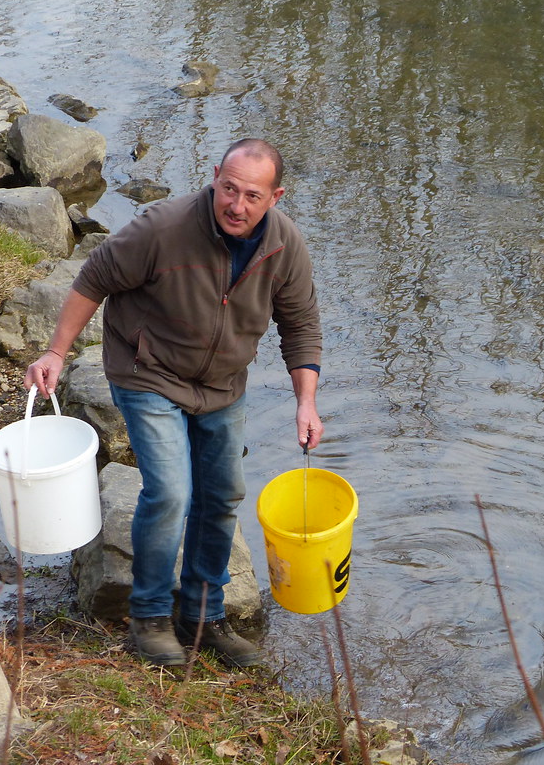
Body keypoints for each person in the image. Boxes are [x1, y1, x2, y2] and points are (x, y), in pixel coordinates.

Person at [23, 138, 323, 667]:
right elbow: (94, 278)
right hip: (149, 371)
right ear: (215, 176)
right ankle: (150, 617)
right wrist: (55, 352)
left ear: (275, 197)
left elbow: (300, 326)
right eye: (228, 189)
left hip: (222, 384)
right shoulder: (164, 227)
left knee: (222, 494)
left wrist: (306, 403)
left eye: (252, 196)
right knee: (170, 492)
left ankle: (204, 617)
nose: (236, 205)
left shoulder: (285, 246)